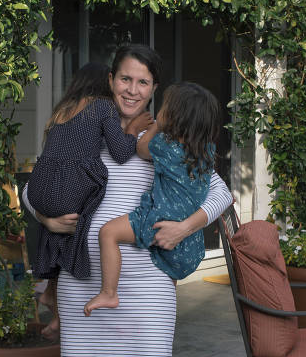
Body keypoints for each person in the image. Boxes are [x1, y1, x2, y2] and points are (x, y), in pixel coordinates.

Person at [23, 44, 232, 357]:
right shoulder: (84, 124)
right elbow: (32, 188)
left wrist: (184, 227)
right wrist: (45, 220)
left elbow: (220, 192)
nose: (132, 89)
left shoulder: (164, 136)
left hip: (147, 284)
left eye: (143, 82)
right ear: (111, 80)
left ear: (154, 88)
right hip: (83, 284)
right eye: (125, 79)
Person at [26, 62, 151, 336]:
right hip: (66, 189)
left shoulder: (62, 111)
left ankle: (50, 293)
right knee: (84, 212)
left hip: (40, 186)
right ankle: (53, 295)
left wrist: (44, 217)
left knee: (64, 227)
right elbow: (119, 152)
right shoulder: (102, 107)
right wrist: (134, 129)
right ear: (106, 84)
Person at [85, 82, 219, 315]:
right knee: (168, 280)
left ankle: (108, 292)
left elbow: (141, 148)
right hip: (192, 247)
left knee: (108, 233)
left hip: (159, 220)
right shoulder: (206, 151)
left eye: (165, 107)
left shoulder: (165, 147)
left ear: (173, 117)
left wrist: (156, 127)